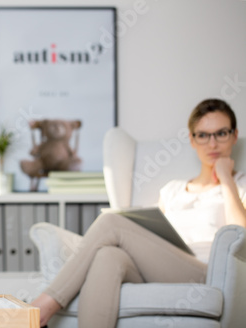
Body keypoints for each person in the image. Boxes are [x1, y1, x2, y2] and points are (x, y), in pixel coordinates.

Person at [31, 98, 246, 328]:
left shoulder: (239, 185)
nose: (212, 143)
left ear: (234, 135)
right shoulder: (171, 189)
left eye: (221, 133)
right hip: (160, 266)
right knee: (107, 256)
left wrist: (226, 179)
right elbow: (154, 235)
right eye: (203, 135)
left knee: (111, 222)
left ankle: (39, 309)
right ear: (192, 140)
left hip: (205, 272)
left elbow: (241, 238)